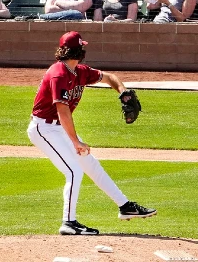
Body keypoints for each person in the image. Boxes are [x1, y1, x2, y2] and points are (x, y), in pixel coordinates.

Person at [29, 31, 158, 236]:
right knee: (74, 171)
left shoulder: (79, 71)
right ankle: (68, 222)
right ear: (80, 51)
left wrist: (123, 91)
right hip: (44, 128)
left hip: (57, 128)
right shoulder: (58, 74)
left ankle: (125, 206)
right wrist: (75, 142)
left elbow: (109, 77)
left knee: (90, 164)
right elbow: (62, 112)